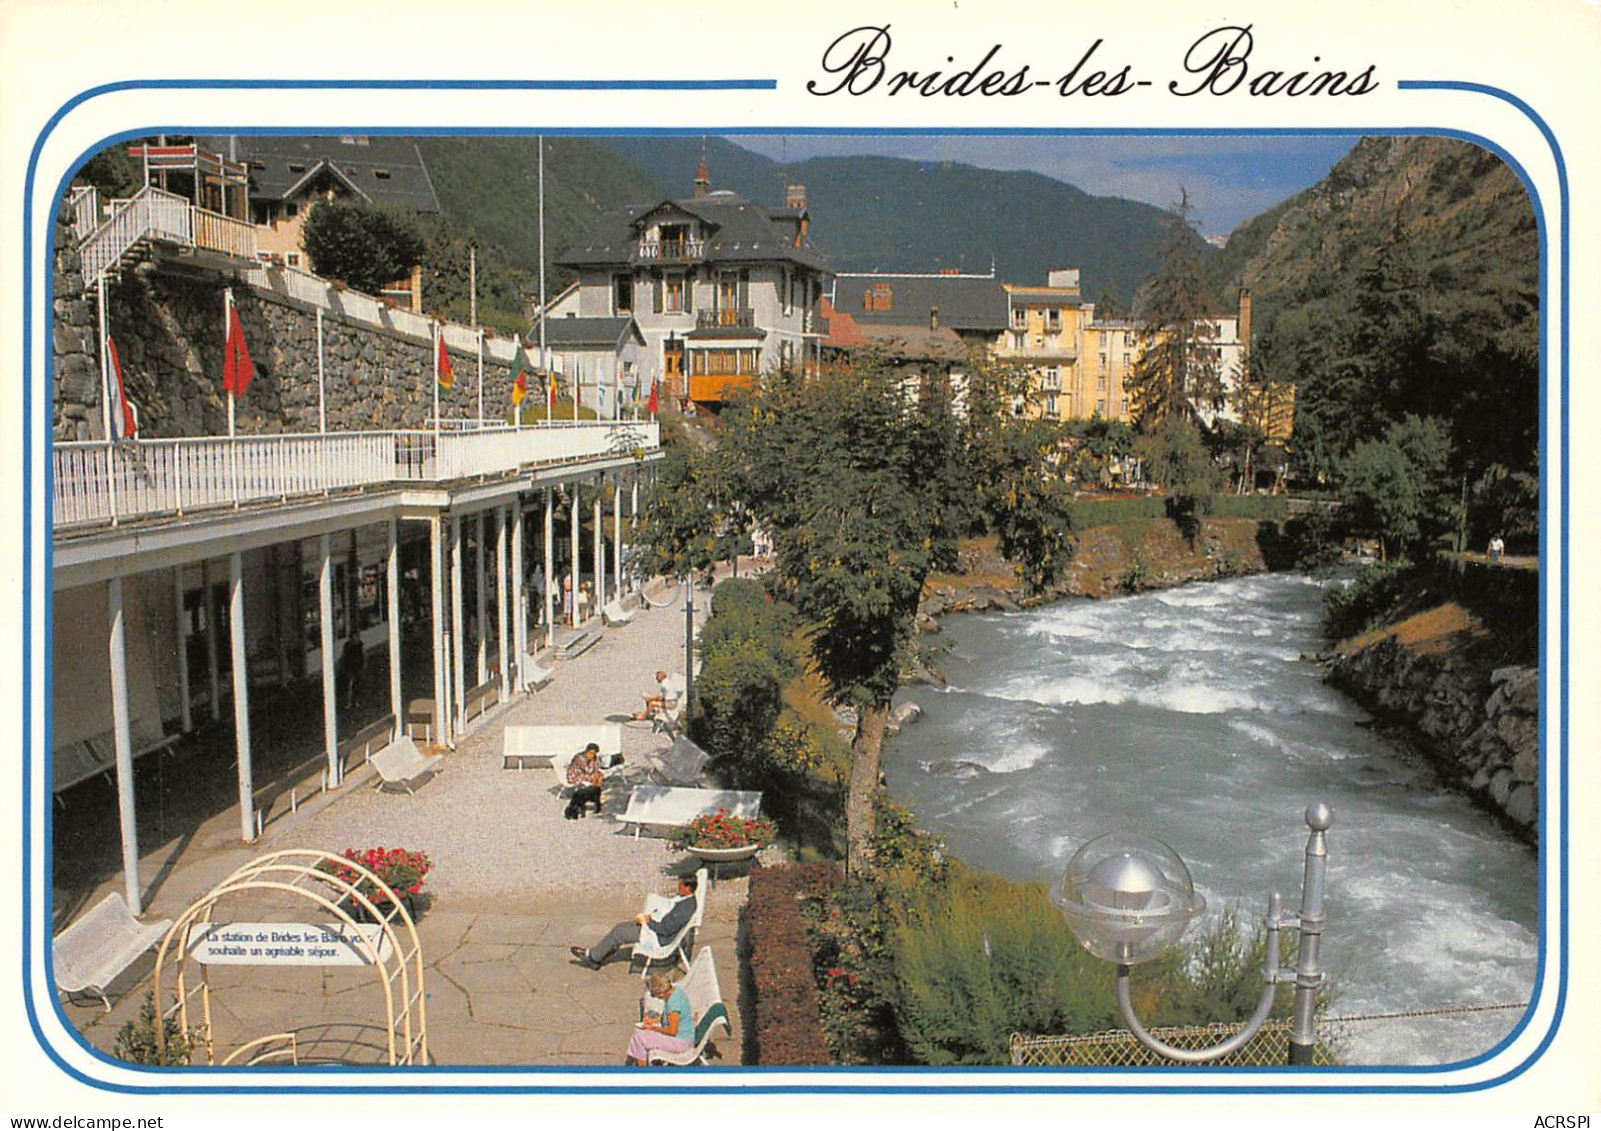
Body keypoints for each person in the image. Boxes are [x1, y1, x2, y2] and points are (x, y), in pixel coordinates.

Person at [569, 873, 699, 970]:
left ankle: (593, 957)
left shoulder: (684, 909)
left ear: (687, 888)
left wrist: (648, 921)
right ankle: (601, 954)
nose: (678, 887)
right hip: (655, 927)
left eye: (680, 885)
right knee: (621, 929)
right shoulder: (687, 902)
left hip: (657, 936)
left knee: (620, 931)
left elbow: (665, 929)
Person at [625, 971, 693, 1065]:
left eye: (654, 995)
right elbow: (671, 1018)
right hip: (684, 1038)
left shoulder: (673, 1004)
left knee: (639, 1038)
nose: (656, 998)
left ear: (661, 993)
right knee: (638, 1033)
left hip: (680, 1043)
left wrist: (652, 1028)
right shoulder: (676, 991)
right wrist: (654, 1021)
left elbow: (672, 1031)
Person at [564, 742, 605, 820]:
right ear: (587, 751)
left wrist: (598, 774)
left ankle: (596, 796)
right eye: (591, 753)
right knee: (594, 781)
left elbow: (594, 769)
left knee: (598, 778)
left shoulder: (593, 758)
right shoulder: (580, 758)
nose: (592, 755)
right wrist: (594, 775)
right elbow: (587, 770)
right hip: (576, 776)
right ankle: (595, 798)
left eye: (594, 753)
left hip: (585, 775)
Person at [338, 633, 364, 710]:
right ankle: (349, 702)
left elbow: (363, 654)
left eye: (357, 637)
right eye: (354, 637)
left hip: (357, 667)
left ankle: (356, 702)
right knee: (350, 685)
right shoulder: (348, 646)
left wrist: (363, 665)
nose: (356, 639)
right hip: (350, 667)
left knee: (357, 685)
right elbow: (344, 656)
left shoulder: (360, 644)